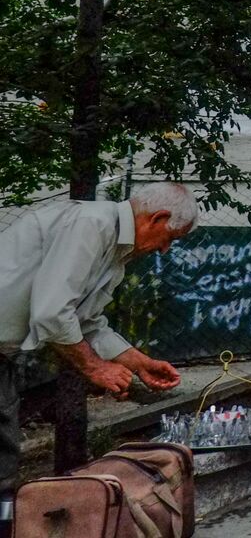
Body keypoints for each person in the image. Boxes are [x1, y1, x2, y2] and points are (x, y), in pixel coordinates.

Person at [1, 183, 199, 530]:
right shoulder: (92, 225)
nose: (166, 249)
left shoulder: (113, 248)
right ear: (158, 218)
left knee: (3, 462)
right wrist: (95, 367)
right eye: (171, 238)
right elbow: (51, 315)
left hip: (3, 356)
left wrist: (138, 362)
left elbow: (87, 321)